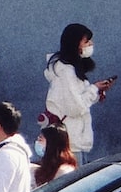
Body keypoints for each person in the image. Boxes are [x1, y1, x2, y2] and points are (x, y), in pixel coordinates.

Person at [43, 23, 112, 162]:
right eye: (86, 41)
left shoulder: (71, 69)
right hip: (70, 143)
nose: (90, 44)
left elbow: (79, 99)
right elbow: (75, 107)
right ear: (75, 44)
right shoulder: (66, 71)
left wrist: (97, 92)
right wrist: (94, 89)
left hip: (76, 141)